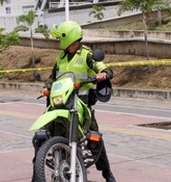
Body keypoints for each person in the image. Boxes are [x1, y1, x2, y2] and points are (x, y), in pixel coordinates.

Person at [43, 20, 116, 182]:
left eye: (60, 38)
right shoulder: (61, 57)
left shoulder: (87, 54)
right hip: (61, 102)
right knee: (44, 135)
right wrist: (46, 87)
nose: (59, 42)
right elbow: (52, 77)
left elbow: (106, 69)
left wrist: (103, 74)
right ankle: (38, 173)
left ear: (67, 37)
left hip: (82, 103)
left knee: (95, 138)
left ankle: (107, 173)